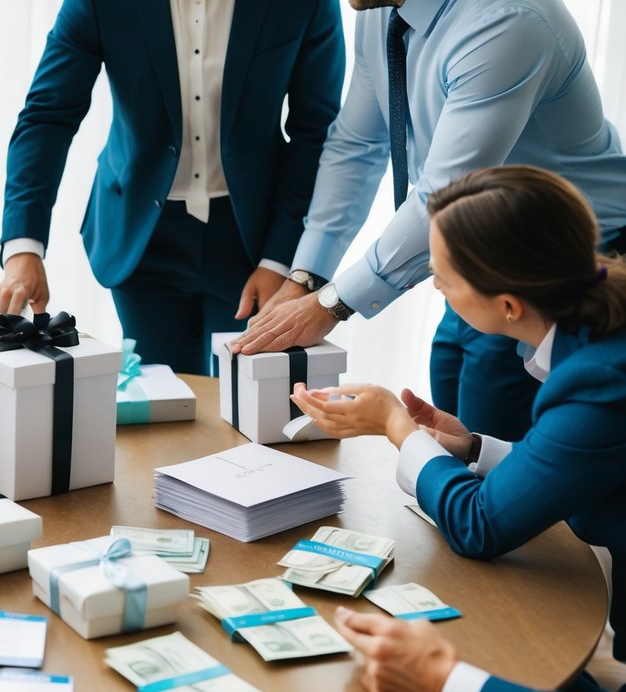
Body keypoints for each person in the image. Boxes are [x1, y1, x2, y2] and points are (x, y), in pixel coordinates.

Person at [290, 165, 626, 692]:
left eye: (442, 278)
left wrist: (393, 426)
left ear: (505, 305)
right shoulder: (596, 331)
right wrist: (471, 447)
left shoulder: (599, 378)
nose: (434, 289)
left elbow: (477, 525)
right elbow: (590, 460)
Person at [233, 0, 626, 442]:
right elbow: (357, 145)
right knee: (456, 432)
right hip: (474, 260)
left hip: (558, 267)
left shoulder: (507, 20)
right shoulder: (380, 11)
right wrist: (306, 278)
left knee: (496, 475)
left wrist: (333, 304)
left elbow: (439, 194)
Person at [0, 0, 345, 375]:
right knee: (162, 406)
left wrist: (280, 259)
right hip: (143, 240)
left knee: (250, 408)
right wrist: (22, 249)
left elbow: (317, 131)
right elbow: (48, 116)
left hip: (258, 237)